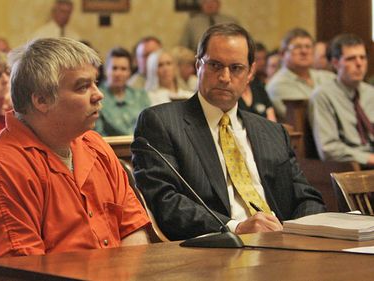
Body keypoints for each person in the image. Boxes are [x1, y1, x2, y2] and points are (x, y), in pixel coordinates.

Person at [0, 37, 150, 266]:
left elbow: (133, 229)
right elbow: (23, 271)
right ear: (41, 100)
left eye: (95, 83)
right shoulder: (2, 168)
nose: (99, 95)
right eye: (82, 87)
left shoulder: (94, 144)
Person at [131, 23, 325, 241]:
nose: (224, 77)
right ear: (198, 65)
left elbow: (308, 198)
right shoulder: (161, 123)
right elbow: (164, 202)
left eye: (236, 68)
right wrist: (236, 228)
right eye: (215, 65)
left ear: (250, 72)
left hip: (285, 246)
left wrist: (294, 235)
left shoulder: (272, 132)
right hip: (216, 250)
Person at [309, 33, 374, 167]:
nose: (359, 63)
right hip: (352, 167)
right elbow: (328, 149)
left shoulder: (370, 93)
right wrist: (368, 158)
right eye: (351, 59)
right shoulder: (323, 96)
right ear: (335, 63)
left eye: (362, 57)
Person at [266, 28, 335, 120]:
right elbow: (307, 117)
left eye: (308, 47)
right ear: (283, 54)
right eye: (297, 47)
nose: (304, 51)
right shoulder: (278, 85)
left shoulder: (328, 77)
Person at [95, 47, 150, 136]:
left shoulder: (141, 96)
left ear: (129, 73)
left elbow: (148, 128)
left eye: (123, 69)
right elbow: (97, 134)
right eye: (114, 68)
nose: (118, 73)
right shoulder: (96, 97)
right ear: (106, 70)